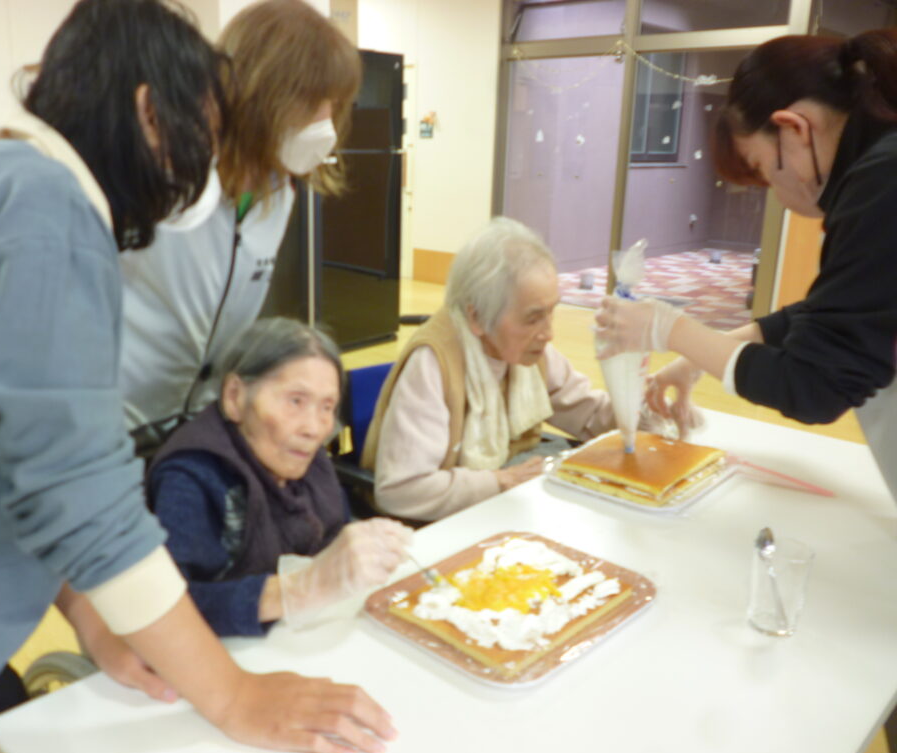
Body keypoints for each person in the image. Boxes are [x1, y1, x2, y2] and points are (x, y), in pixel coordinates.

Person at [0, 2, 394, 753]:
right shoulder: (47, 210)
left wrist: (90, 612)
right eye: (203, 134)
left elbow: (18, 456)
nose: (204, 166)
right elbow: (73, 485)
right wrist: (233, 695)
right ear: (152, 113)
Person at [594, 29, 897, 501]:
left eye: (763, 171)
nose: (779, 196)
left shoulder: (881, 182)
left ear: (793, 129)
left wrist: (670, 329)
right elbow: (846, 311)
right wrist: (698, 357)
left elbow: (813, 385)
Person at [120, 0, 361, 454]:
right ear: (261, 92)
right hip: (116, 423)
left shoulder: (280, 193)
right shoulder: (162, 176)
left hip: (198, 424)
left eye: (333, 103)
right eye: (312, 101)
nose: (325, 120)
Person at [361, 217, 670, 522]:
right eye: (533, 318)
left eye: (551, 312)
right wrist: (500, 482)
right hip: (434, 526)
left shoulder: (531, 352)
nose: (548, 333)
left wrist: (640, 408)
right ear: (477, 318)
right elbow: (401, 490)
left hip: (495, 508)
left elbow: (589, 415)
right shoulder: (433, 365)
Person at [147, 318, 413, 635]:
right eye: (295, 401)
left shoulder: (304, 455)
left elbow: (334, 533)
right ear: (234, 396)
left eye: (327, 407)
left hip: (303, 634)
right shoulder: (192, 477)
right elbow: (166, 611)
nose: (314, 428)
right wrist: (298, 589)